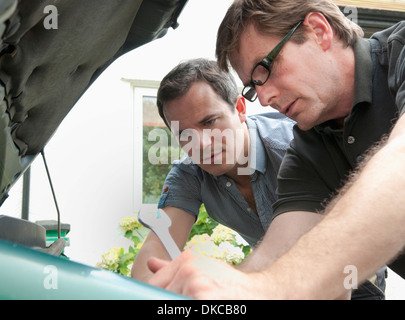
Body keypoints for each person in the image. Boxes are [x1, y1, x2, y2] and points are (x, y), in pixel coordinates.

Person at [147, 0, 405, 299]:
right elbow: (279, 247)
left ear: (318, 31)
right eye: (253, 87)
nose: (266, 98)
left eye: (266, 68)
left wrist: (269, 287)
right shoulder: (309, 145)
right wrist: (230, 291)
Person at [131, 58, 297, 281]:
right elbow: (154, 257)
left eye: (209, 122)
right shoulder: (190, 174)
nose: (200, 144)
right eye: (183, 133)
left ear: (239, 109)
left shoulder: (294, 146)